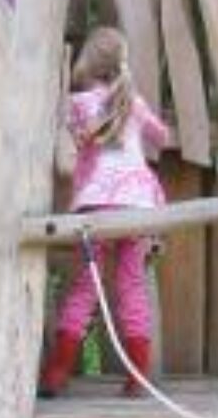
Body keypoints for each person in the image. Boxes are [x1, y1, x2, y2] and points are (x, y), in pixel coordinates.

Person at [40, 27, 170, 398]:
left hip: (97, 206)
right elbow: (161, 137)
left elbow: (64, 132)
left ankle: (57, 373)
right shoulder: (132, 101)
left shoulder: (78, 104)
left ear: (88, 62)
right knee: (132, 287)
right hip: (140, 206)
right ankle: (137, 379)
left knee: (85, 287)